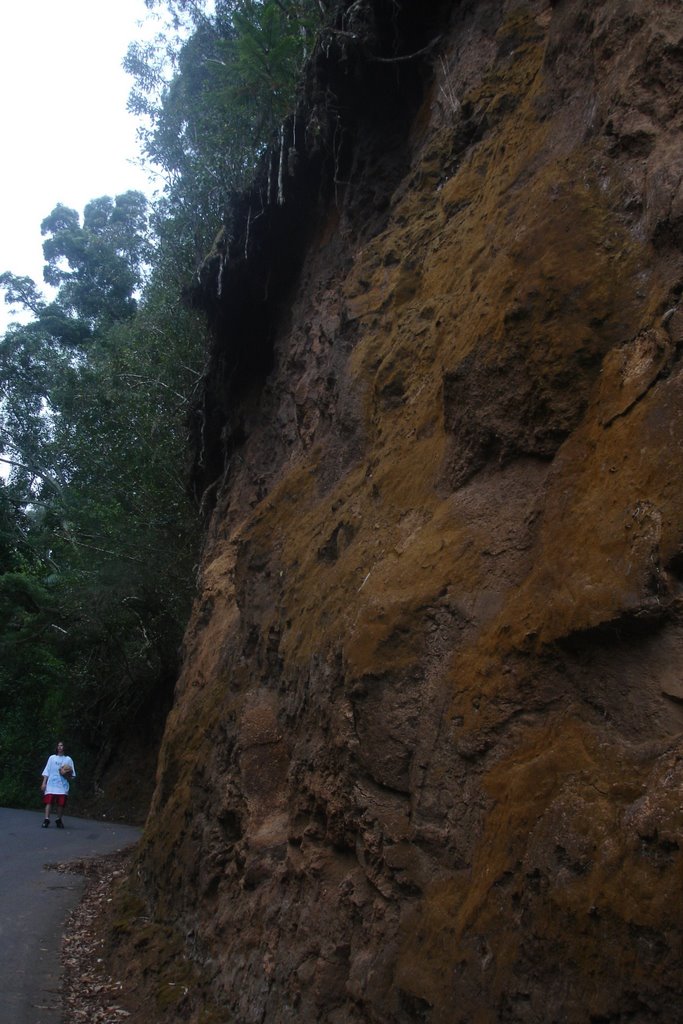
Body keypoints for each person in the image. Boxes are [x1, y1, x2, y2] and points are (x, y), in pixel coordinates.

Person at [40, 740, 76, 828]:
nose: (60, 747)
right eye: (58, 746)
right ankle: (46, 819)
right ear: (56, 747)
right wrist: (44, 783)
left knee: (61, 804)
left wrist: (66, 773)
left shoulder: (68, 759)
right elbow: (47, 771)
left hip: (62, 786)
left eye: (62, 745)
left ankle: (58, 819)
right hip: (51, 785)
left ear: (64, 747)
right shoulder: (52, 758)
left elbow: (72, 775)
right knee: (49, 802)